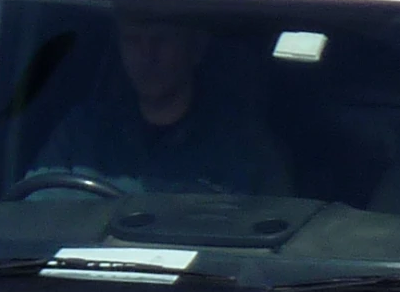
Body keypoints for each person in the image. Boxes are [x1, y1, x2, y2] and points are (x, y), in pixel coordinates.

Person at [31, 14, 290, 196]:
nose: (146, 56)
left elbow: (272, 244)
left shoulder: (243, 148)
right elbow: (33, 221)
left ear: (195, 49)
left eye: (160, 40)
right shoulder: (81, 133)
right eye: (132, 41)